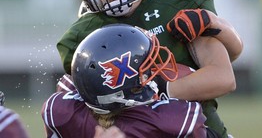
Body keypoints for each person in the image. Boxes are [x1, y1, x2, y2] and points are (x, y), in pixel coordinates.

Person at [56, 0, 243, 137]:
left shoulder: (177, 6)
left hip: (195, 128)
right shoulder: (82, 34)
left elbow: (223, 78)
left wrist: (156, 90)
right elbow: (83, 109)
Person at [42, 24, 221, 138]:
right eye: (147, 70)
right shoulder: (171, 121)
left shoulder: (59, 111)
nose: (154, 72)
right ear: (121, 90)